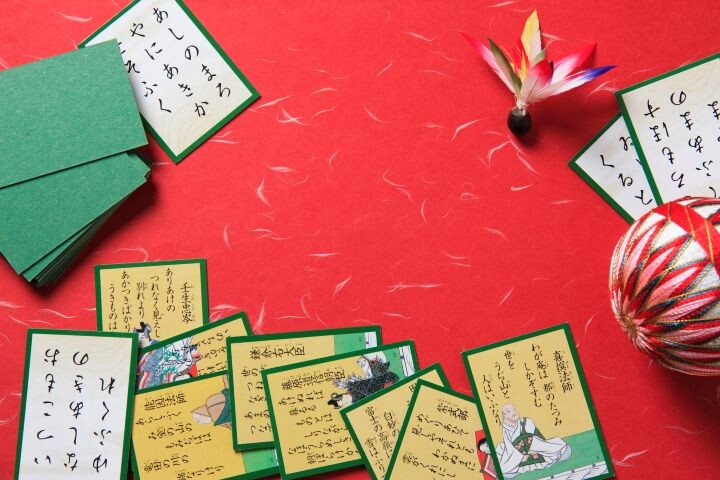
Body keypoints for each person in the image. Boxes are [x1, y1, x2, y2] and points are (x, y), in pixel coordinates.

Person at [495, 403, 571, 478]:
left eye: (514, 409)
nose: (514, 413)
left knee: (555, 447)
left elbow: (537, 439)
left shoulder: (525, 421)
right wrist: (520, 456)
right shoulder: (506, 429)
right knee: (503, 460)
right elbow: (510, 448)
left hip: (536, 448)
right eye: (508, 411)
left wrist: (529, 449)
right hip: (519, 454)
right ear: (504, 416)